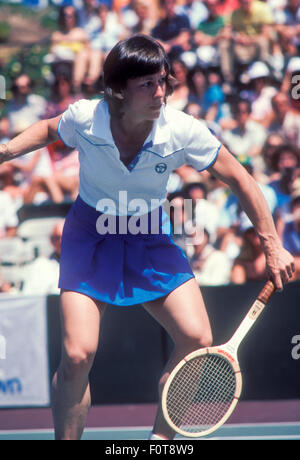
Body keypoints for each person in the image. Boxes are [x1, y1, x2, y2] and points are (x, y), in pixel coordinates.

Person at [0, 34, 294, 441]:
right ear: (118, 90)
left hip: (148, 234)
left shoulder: (182, 129)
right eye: (148, 85)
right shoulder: (87, 118)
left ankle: (159, 444)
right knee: (76, 354)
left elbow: (240, 179)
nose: (161, 93)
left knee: (197, 339)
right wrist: (6, 151)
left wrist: (271, 243)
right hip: (91, 234)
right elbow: (49, 128)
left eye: (164, 82)